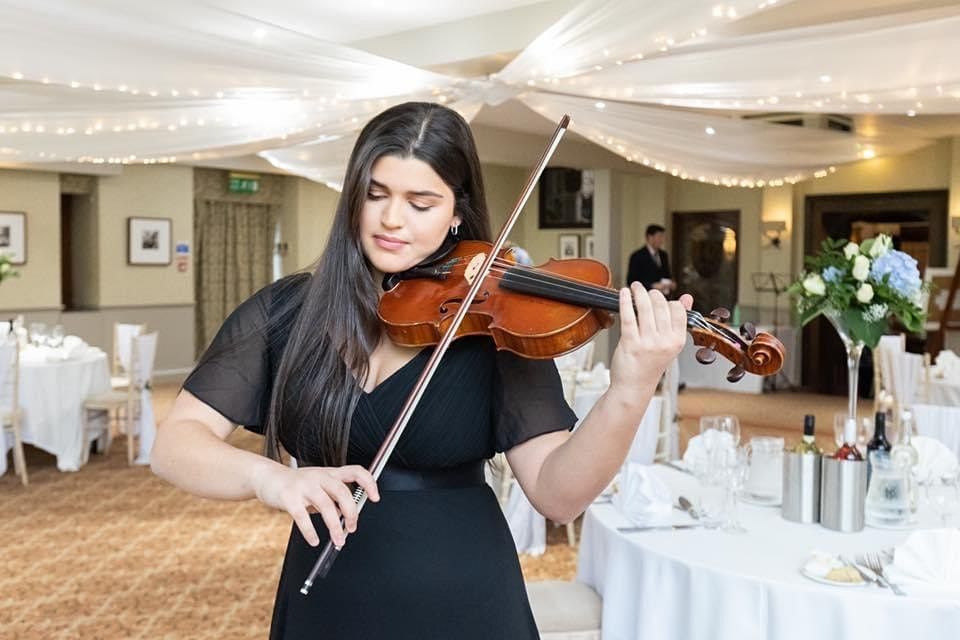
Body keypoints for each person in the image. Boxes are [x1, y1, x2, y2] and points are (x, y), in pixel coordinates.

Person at [151, 102, 692, 639]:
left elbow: (558, 494)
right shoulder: (285, 311)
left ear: (457, 212)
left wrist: (632, 386)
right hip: (327, 601)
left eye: (421, 202)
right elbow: (176, 444)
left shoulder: (492, 320)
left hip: (464, 602)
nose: (391, 219)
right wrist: (270, 477)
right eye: (376, 194)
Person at [627, 224, 675, 294]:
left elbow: (667, 274)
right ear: (650, 237)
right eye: (659, 236)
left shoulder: (664, 255)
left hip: (663, 296)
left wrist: (672, 282)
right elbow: (631, 281)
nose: (662, 240)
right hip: (645, 296)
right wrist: (652, 285)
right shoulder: (637, 256)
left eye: (663, 237)